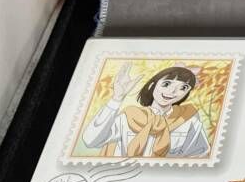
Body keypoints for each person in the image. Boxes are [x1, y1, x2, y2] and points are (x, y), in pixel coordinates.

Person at [81, 63, 210, 158]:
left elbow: (200, 154)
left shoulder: (187, 120)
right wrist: (116, 98)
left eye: (183, 88)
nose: (172, 91)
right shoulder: (129, 116)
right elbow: (91, 141)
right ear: (152, 85)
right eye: (166, 84)